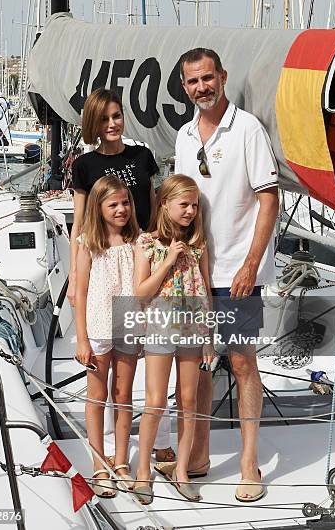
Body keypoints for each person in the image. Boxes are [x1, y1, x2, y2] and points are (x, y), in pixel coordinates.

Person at [157, 48, 279, 502]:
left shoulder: (247, 130)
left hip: (236, 270)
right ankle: (200, 453)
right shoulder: (185, 136)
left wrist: (250, 264)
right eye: (192, 82)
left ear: (222, 77)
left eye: (207, 78)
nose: (201, 88)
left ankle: (249, 463)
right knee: (198, 366)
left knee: (243, 362)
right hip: (192, 273)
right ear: (184, 86)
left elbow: (269, 199)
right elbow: (180, 202)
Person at [70, 87, 174, 464]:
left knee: (139, 380)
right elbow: (81, 222)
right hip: (101, 285)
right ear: (93, 123)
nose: (112, 124)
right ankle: (103, 458)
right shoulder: (85, 165)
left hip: (140, 259)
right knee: (102, 389)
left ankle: (147, 448)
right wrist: (73, 273)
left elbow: (156, 205)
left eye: (117, 116)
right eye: (105, 118)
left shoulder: (142, 156)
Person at [133, 174, 215, 504]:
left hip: (193, 331)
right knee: (155, 401)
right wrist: (167, 259)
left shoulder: (199, 246)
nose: (191, 211)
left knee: (189, 401)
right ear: (165, 204)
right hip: (159, 329)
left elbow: (205, 291)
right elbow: (141, 292)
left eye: (195, 205)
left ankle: (181, 470)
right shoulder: (147, 243)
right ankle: (142, 472)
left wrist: (208, 338)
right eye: (184, 204)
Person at [75, 175, 140, 498]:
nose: (121, 209)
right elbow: (81, 292)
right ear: (98, 208)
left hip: (128, 321)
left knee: (123, 393)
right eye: (113, 204)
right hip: (99, 322)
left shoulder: (137, 241)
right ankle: (99, 461)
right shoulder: (88, 242)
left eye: (125, 202)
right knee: (97, 395)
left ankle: (122, 460)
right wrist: (81, 338)